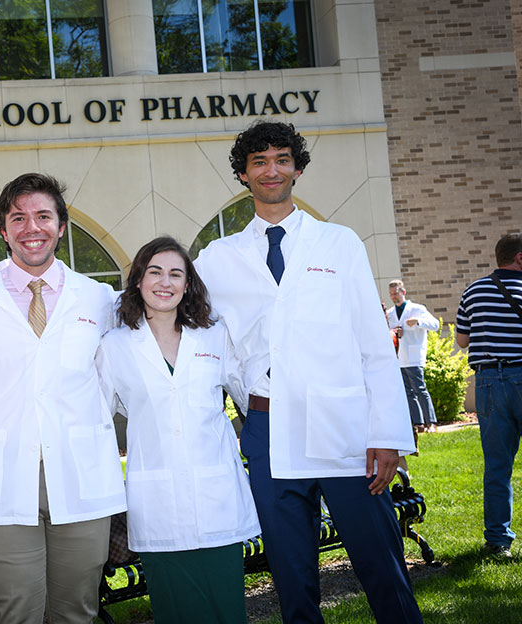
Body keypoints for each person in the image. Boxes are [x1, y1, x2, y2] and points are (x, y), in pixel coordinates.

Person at [195, 121, 423, 623]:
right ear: (243, 174)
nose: (271, 169)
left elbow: (373, 346)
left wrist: (386, 435)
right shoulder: (217, 259)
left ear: (297, 168)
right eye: (259, 161)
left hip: (341, 428)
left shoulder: (339, 244)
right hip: (267, 428)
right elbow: (200, 334)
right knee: (292, 579)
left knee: (381, 565)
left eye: (281, 158)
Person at [0, 172, 126, 624]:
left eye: (43, 216)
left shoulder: (100, 301)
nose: (31, 227)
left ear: (62, 227)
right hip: (1, 479)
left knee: (76, 611)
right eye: (18, 218)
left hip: (81, 475)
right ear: (3, 231)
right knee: (14, 609)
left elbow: (123, 382)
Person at [99, 236, 259, 623]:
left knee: (227, 611)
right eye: (154, 272)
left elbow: (252, 395)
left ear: (188, 284)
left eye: (175, 273)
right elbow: (97, 418)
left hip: (216, 498)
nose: (164, 282)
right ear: (138, 280)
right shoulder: (115, 346)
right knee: (175, 612)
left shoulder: (215, 336)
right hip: (156, 505)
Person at [456, 232, 522, 558]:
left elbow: (462, 340)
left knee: (497, 466)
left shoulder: (474, 290)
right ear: (519, 258)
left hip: (487, 384)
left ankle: (498, 542)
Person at [387, 279, 440, 432]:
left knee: (420, 389)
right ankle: (419, 423)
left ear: (403, 292)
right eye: (391, 294)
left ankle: (431, 422)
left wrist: (418, 321)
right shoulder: (390, 314)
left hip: (414, 356)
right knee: (408, 392)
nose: (393, 297)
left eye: (396, 293)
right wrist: (396, 333)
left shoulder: (417, 309)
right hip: (399, 357)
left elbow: (435, 325)